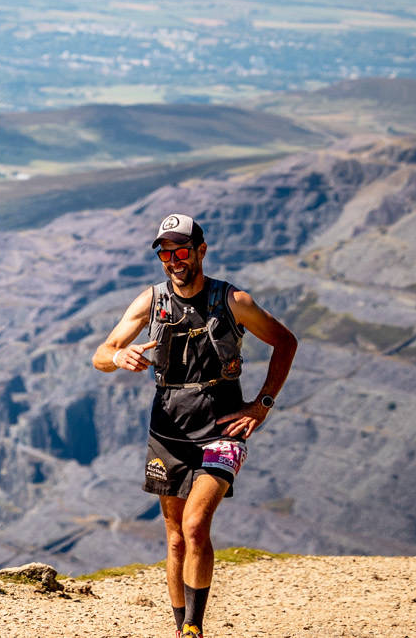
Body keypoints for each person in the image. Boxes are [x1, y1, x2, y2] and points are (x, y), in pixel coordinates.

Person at [91, 214, 297, 638]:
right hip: (168, 432)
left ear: (201, 251)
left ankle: (193, 628)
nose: (173, 259)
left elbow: (285, 340)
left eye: (181, 250)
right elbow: (102, 352)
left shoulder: (233, 300)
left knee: (196, 524)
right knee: (175, 539)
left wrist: (262, 404)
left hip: (222, 429)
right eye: (165, 252)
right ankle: (179, 628)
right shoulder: (151, 300)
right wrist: (119, 357)